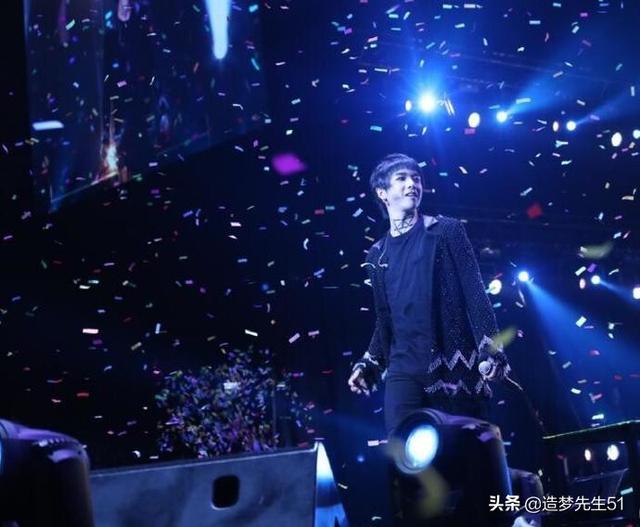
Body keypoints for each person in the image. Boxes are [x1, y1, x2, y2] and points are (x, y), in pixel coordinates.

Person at [348, 153, 511, 435]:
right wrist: (369, 362)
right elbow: (386, 318)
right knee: (402, 451)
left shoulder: (446, 231)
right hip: (402, 370)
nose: (412, 184)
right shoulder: (376, 255)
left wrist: (491, 349)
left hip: (451, 363)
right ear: (382, 192)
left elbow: (475, 294)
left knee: (459, 450)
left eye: (416, 178)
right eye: (401, 178)